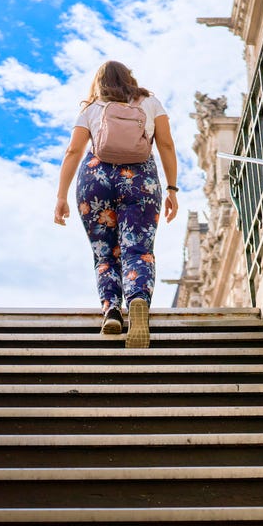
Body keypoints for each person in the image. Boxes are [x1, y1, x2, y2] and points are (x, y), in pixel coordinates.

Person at [54, 61, 179, 348]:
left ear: (99, 82)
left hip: (95, 179)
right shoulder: (150, 102)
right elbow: (167, 145)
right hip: (140, 179)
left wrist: (61, 196)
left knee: (105, 252)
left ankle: (111, 309)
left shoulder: (91, 108)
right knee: (139, 248)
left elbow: (74, 150)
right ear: (129, 78)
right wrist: (172, 188)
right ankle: (137, 300)